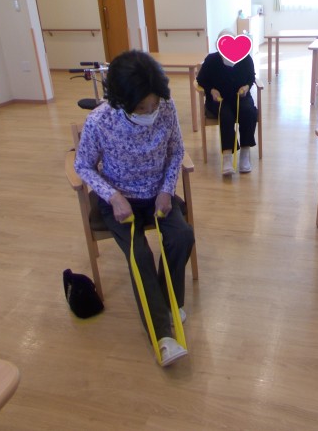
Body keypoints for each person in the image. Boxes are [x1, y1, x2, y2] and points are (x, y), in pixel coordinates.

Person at [74, 50, 195, 367]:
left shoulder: (166, 108)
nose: (150, 112)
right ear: (122, 101)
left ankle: (168, 302)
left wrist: (167, 190)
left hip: (158, 195)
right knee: (139, 254)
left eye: (153, 105)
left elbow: (176, 151)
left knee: (182, 236)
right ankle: (163, 336)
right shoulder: (99, 121)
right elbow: (83, 165)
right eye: (142, 108)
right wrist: (112, 196)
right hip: (120, 202)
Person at [196, 29, 258, 175]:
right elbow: (201, 80)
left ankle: (245, 154)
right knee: (226, 114)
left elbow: (251, 77)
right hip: (219, 99)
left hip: (240, 97)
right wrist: (211, 90)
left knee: (248, 111)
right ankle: (227, 157)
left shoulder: (245, 58)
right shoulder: (211, 60)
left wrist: (246, 87)